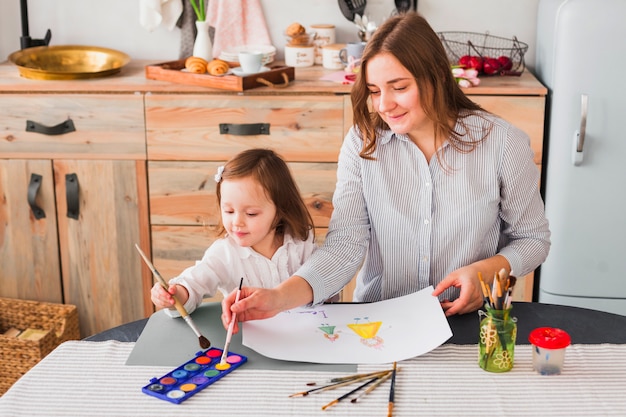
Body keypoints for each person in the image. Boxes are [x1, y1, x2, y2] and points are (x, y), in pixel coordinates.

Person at [221, 12, 550, 330]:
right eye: (375, 91)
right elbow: (346, 244)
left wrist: (489, 270)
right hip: (380, 323)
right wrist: (279, 297)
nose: (383, 105)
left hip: (470, 323)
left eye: (399, 87)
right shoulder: (362, 144)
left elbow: (532, 239)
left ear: (436, 74)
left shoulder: (502, 142)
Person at [151, 148, 317, 316]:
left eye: (251, 213)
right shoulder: (224, 253)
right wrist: (174, 295)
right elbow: (194, 284)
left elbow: (326, 287)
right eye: (229, 211)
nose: (237, 222)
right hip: (247, 337)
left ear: (281, 209)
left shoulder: (301, 244)